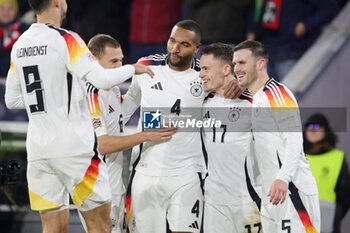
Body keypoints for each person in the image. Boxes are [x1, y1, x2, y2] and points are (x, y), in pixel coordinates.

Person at [4, 0, 153, 232]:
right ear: (56, 2)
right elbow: (102, 79)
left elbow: (11, 100)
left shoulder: (19, 44)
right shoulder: (66, 39)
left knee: (52, 228)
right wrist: (133, 68)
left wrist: (53, 97)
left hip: (39, 153)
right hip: (75, 153)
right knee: (100, 227)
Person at [122, 20, 243, 233]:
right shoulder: (147, 66)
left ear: (197, 49)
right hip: (145, 172)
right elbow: (125, 107)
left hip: (187, 174)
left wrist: (237, 82)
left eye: (184, 45)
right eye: (172, 41)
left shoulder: (204, 75)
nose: (175, 49)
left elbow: (235, 85)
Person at [77, 34, 177, 233]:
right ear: (94, 61)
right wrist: (146, 135)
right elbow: (102, 145)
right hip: (95, 188)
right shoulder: (91, 92)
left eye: (122, 60)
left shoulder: (111, 89)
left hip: (114, 185)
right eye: (113, 61)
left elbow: (125, 109)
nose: (120, 66)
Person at [233, 40, 320, 232]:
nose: (236, 69)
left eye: (241, 63)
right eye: (234, 64)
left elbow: (294, 138)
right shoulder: (255, 100)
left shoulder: (277, 93)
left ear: (261, 64)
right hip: (271, 195)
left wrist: (283, 178)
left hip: (292, 192)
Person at [199, 42, 261, 233]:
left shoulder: (254, 102)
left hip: (247, 199)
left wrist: (248, 85)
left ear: (227, 69)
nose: (201, 74)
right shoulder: (202, 103)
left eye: (206, 69)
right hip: (213, 200)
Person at [246, 0, 339, 81]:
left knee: (292, 96)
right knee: (269, 98)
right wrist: (252, 31)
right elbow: (257, 11)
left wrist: (306, 25)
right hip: (265, 52)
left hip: (291, 51)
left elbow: (329, 8)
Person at [303, 113, 350, 233]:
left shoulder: (337, 157)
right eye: (309, 126)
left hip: (328, 224)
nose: (313, 130)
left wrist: (335, 216)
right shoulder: (296, 156)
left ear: (326, 131)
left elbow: (345, 194)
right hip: (299, 221)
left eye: (318, 127)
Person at [0, 0, 28, 77]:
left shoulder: (26, 30)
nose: (6, 13)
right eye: (2, 8)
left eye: (10, 8)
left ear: (16, 11)